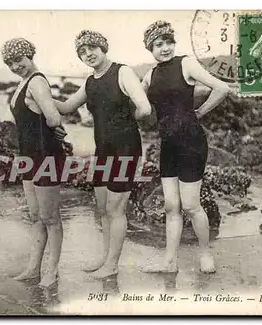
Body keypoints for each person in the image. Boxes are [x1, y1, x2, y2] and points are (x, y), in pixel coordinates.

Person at [54, 30, 152, 279]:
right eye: (82, 52)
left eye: (92, 48)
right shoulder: (90, 82)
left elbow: (144, 107)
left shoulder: (122, 72)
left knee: (115, 209)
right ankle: (106, 257)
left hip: (126, 148)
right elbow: (66, 107)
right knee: (102, 207)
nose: (88, 54)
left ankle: (112, 265)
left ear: (103, 47)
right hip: (103, 150)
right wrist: (38, 93)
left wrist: (127, 123)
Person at [140, 21, 230, 274]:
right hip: (168, 145)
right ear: (150, 48)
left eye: (169, 42)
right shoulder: (150, 74)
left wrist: (200, 111)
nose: (165, 48)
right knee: (171, 206)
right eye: (159, 44)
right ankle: (169, 262)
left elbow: (222, 88)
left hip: (191, 142)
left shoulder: (186, 63)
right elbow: (138, 102)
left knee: (191, 206)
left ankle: (205, 254)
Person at [1, 38, 67, 287]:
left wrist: (57, 129)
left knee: (50, 217)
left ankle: (52, 271)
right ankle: (33, 268)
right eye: (10, 62)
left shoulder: (37, 81)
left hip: (46, 156)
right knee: (36, 216)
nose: (15, 65)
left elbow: (51, 116)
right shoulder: (24, 83)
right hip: (29, 156)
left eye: (19, 59)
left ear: (30, 55)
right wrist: (58, 128)